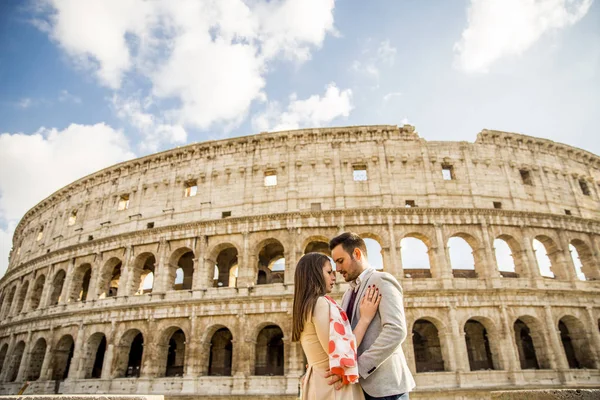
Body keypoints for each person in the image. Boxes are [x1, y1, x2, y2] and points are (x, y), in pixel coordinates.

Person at [328, 232, 415, 400]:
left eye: (340, 261)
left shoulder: (382, 280)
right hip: (359, 389)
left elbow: (396, 331)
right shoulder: (347, 294)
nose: (337, 269)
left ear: (357, 254)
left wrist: (358, 368)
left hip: (386, 388)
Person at [292, 252, 382, 400]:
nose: (334, 277)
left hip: (320, 381)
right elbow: (341, 351)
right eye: (329, 272)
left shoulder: (304, 305)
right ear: (314, 274)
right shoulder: (320, 303)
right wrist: (365, 318)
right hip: (333, 386)